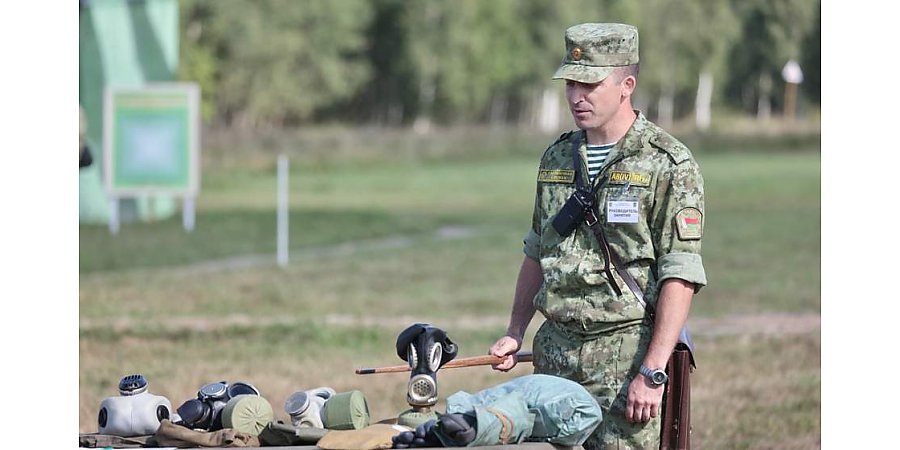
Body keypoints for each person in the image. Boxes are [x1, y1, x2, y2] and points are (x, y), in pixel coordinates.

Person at [488, 23, 707, 450]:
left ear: (627, 85)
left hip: (625, 362)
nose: (575, 96)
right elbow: (537, 250)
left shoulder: (668, 163)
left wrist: (653, 371)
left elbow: (680, 274)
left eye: (589, 83)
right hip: (554, 355)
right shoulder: (556, 157)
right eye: (570, 83)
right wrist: (516, 330)